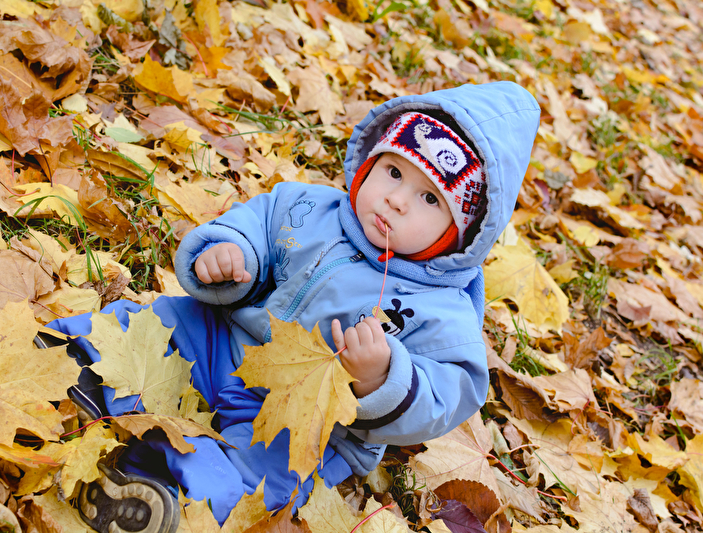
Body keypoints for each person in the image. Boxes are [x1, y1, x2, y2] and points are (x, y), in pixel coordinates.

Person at [43, 81, 540, 533]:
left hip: (308, 418)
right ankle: (76, 360)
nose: (396, 201)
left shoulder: (445, 312)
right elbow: (258, 224)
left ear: (462, 233)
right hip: (225, 339)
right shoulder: (309, 208)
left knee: (269, 473)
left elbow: (448, 393)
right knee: (163, 324)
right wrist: (234, 254)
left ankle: (167, 493)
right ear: (371, 162)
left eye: (430, 199)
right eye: (393, 172)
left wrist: (380, 378)